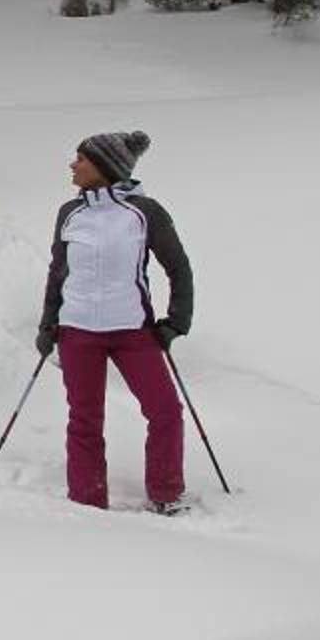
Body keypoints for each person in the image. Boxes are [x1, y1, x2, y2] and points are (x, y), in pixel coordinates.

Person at [36, 129, 195, 514]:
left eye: (81, 159)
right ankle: (87, 502)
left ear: (104, 167)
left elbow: (179, 268)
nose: (73, 165)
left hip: (132, 332)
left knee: (165, 411)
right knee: (84, 419)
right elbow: (58, 272)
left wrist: (176, 322)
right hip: (77, 332)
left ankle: (165, 493)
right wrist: (48, 324)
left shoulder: (145, 212)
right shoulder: (70, 213)